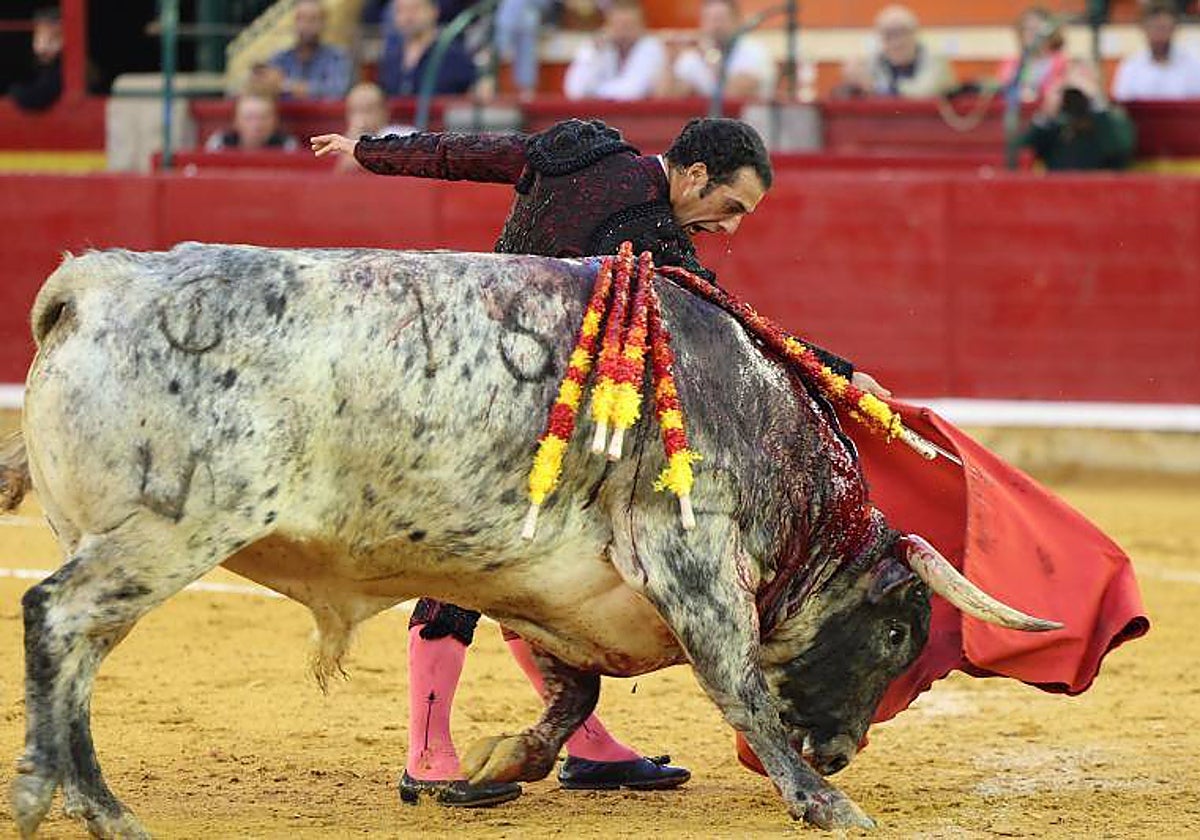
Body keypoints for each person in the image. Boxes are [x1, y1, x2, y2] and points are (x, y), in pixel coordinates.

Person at [311, 116, 889, 806]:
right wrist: (836, 374)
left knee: (529, 570)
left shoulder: (584, 152)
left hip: (508, 384)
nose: (730, 228)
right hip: (520, 410)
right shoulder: (651, 232)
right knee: (468, 568)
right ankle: (428, 754)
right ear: (695, 174)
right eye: (730, 207)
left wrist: (369, 152)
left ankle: (583, 744)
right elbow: (729, 324)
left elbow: (472, 152)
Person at [1019, 60, 1135, 171]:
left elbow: (1119, 151)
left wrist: (1096, 101)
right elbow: (1027, 147)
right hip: (1058, 184)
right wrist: (1047, 112)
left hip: (1098, 183)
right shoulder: (1058, 121)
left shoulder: (1111, 116)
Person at [660, 0, 777, 100]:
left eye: (721, 19)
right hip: (710, 124)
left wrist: (708, 56)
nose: (715, 25)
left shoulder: (754, 50)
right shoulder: (694, 55)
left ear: (737, 21)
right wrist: (670, 61)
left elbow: (734, 92)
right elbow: (669, 96)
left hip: (750, 123)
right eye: (709, 19)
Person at [837, 4, 956, 99]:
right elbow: (843, 93)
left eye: (902, 33)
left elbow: (923, 93)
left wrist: (873, 87)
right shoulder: (875, 60)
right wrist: (853, 82)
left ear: (915, 34)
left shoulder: (936, 59)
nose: (896, 43)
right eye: (888, 36)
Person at [564, 0, 666, 101]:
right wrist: (595, 50)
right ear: (608, 25)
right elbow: (575, 90)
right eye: (619, 24)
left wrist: (595, 91)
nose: (624, 31)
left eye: (630, 25)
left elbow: (632, 92)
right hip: (599, 114)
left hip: (637, 114)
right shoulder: (597, 45)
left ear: (642, 25)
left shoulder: (651, 47)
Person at [254, 0, 353, 100]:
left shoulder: (337, 57)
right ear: (294, 23)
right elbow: (261, 91)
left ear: (324, 24)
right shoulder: (279, 58)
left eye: (313, 19)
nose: (306, 25)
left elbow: (338, 91)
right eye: (301, 19)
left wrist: (286, 86)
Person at [377, 0, 477, 97]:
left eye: (415, 9)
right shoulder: (391, 58)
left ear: (434, 11)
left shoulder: (454, 55)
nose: (408, 17)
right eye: (401, 10)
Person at [1112, 1, 1200, 101]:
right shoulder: (1130, 66)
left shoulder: (1193, 64)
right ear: (1143, 29)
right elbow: (1122, 105)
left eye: (1163, 28)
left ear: (1174, 28)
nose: (1159, 35)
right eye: (1154, 28)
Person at [334, 82, 414, 173]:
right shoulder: (338, 144)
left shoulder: (407, 136)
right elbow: (337, 177)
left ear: (385, 111)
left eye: (368, 110)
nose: (361, 117)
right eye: (355, 111)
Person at [996, 6, 1068, 104]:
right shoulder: (1011, 63)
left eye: (1036, 29)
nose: (1030, 34)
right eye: (1026, 29)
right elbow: (1004, 92)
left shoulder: (1062, 62)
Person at [10, 6, 63, 112]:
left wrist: (13, 91)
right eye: (39, 39)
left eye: (54, 39)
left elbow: (35, 96)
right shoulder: (36, 65)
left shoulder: (65, 69)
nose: (43, 47)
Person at [205, 94, 299, 152]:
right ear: (236, 122)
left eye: (263, 118)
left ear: (275, 121)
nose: (257, 125)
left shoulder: (287, 145)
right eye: (249, 118)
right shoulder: (219, 143)